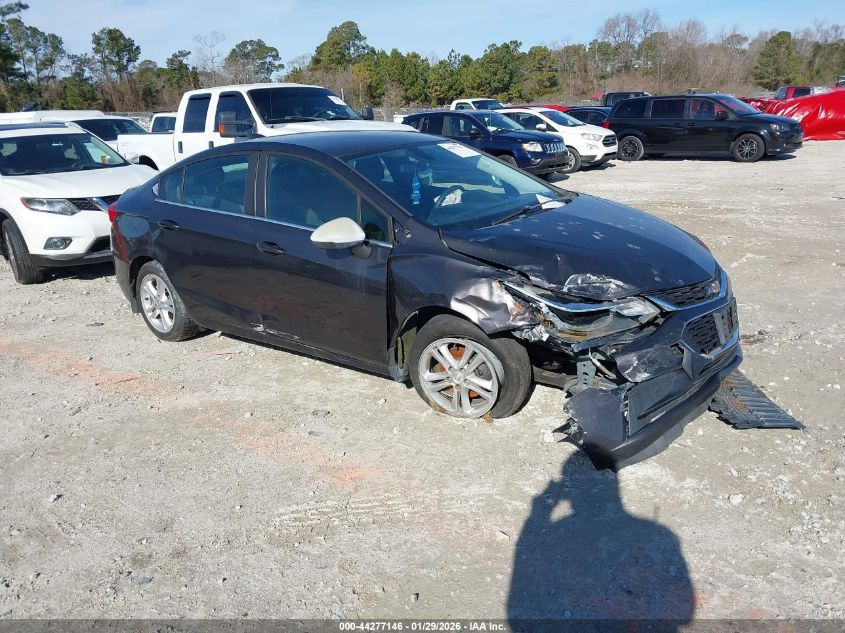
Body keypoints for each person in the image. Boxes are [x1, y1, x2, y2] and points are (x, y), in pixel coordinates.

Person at [508, 452, 695, 631]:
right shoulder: (661, 535)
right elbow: (686, 614)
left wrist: (538, 512)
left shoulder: (559, 531)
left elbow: (527, 587)